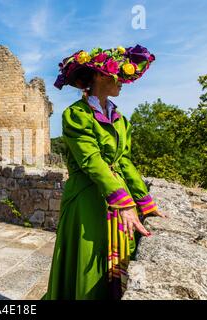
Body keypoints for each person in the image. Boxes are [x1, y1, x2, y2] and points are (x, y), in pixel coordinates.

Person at [42, 45, 167, 300]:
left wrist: (144, 202)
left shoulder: (121, 120)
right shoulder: (76, 115)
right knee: (88, 263)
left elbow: (124, 162)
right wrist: (124, 203)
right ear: (100, 76)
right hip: (87, 201)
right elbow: (91, 161)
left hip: (116, 197)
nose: (122, 82)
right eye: (117, 75)